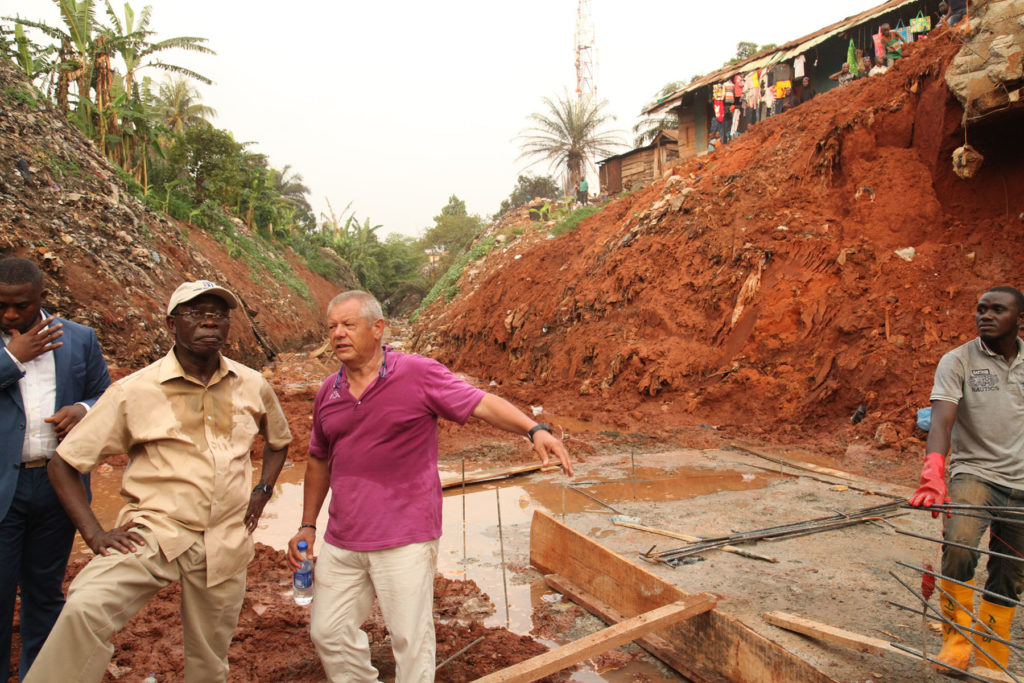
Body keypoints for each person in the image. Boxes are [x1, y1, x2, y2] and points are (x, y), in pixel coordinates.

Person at [288, 290, 573, 682]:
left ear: (377, 328)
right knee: (328, 631)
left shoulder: (416, 373)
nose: (338, 334)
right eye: (332, 326)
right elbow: (319, 458)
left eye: (348, 325)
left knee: (410, 639)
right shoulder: (328, 392)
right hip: (343, 538)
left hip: (405, 535)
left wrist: (533, 429)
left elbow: (480, 402)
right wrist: (307, 524)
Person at [24, 280, 292, 682]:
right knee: (85, 606)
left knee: (210, 660)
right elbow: (63, 463)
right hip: (155, 532)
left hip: (225, 538)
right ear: (171, 324)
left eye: (218, 315)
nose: (209, 323)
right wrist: (95, 534)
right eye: (195, 314)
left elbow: (279, 441)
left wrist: (263, 491)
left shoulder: (252, 383)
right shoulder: (134, 391)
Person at [0, 257, 110, 680]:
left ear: (43, 299)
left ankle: (39, 675)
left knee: (45, 595)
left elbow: (105, 394)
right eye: (2, 306)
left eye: (21, 306)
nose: (10, 315)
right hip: (3, 489)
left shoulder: (79, 339)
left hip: (57, 487)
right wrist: (12, 357)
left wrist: (84, 409)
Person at [909, 286, 1024, 680]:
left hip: (1022, 481)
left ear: (1018, 318)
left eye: (997, 309)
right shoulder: (957, 360)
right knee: (958, 546)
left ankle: (991, 653)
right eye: (980, 309)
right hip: (975, 473)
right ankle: (956, 644)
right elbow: (941, 419)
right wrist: (933, 474)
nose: (985, 316)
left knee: (1011, 570)